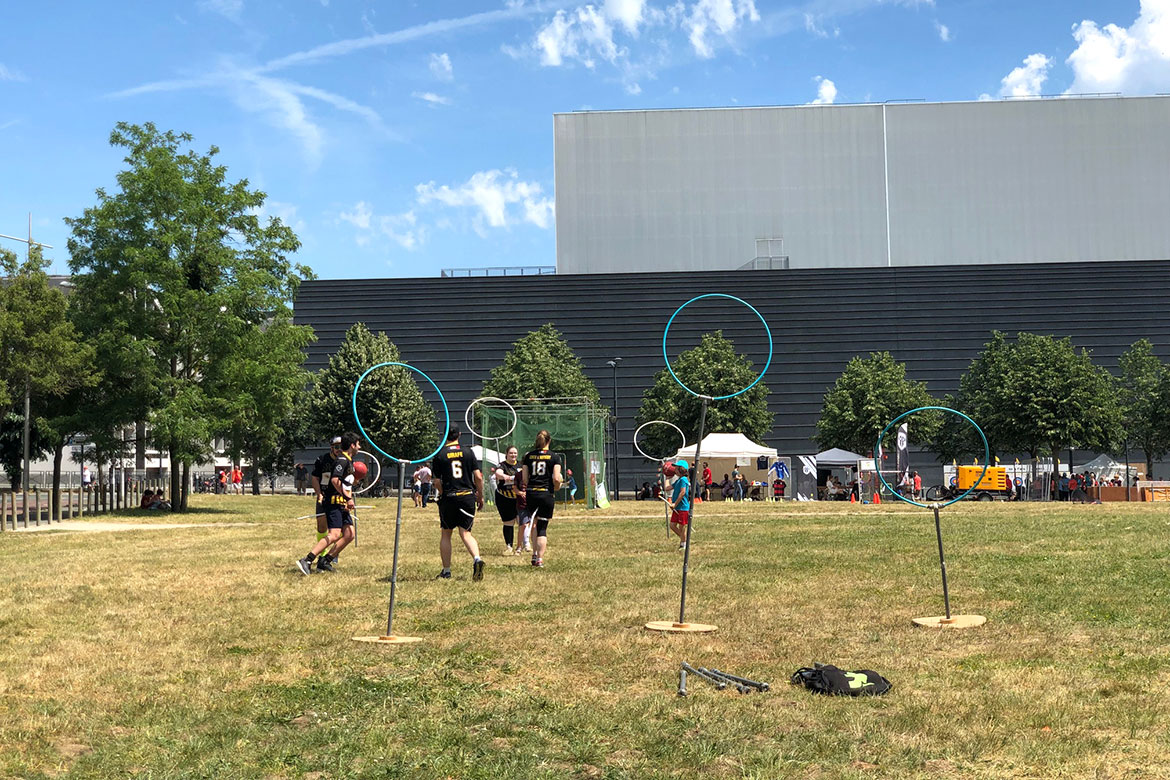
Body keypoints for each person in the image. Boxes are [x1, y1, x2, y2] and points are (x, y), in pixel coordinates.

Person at [296, 432, 361, 574]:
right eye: (358, 444)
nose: (359, 447)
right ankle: (307, 559)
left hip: (341, 503)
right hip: (333, 502)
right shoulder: (342, 460)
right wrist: (347, 498)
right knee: (334, 534)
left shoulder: (348, 461)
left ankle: (325, 561)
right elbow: (334, 480)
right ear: (352, 445)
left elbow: (345, 483)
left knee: (350, 534)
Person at [431, 425, 485, 580]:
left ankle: (446, 571)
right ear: (459, 435)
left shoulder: (440, 455)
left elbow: (437, 482)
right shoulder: (468, 452)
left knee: (446, 533)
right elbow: (478, 477)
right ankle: (477, 559)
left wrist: (443, 494)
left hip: (450, 496)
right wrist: (479, 496)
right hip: (467, 495)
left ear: (444, 434)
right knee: (466, 532)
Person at [522, 430, 563, 569]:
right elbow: (556, 478)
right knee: (542, 527)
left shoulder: (528, 456)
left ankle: (534, 554)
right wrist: (557, 487)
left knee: (533, 522)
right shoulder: (554, 457)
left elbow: (525, 479)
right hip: (546, 494)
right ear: (549, 441)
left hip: (531, 493)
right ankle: (539, 559)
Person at [494, 446, 521, 555]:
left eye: (515, 453)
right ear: (506, 454)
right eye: (511, 453)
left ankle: (524, 544)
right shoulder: (502, 465)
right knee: (508, 522)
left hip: (518, 497)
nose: (513, 455)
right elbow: (498, 473)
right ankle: (509, 545)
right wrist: (508, 477)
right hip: (504, 497)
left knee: (522, 522)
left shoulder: (520, 465)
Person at [666, 458, 692, 548]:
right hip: (677, 508)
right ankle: (684, 539)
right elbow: (667, 488)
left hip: (683, 508)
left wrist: (675, 504)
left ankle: (683, 544)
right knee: (672, 525)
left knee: (682, 527)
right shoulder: (678, 480)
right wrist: (667, 478)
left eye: (676, 468)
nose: (674, 470)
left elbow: (683, 492)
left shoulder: (684, 480)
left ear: (681, 469)